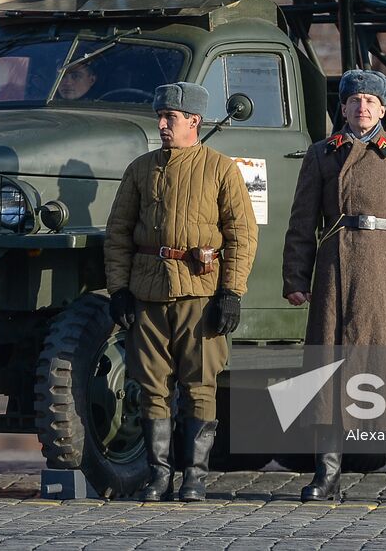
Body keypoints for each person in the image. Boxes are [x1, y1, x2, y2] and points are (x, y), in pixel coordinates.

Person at [281, 69, 386, 504]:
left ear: (383, 109)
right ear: (343, 107)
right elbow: (301, 222)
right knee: (329, 373)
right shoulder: (322, 154)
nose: (362, 107)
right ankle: (327, 472)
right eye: (354, 100)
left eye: (371, 101)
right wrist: (295, 277)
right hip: (335, 274)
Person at [104, 82, 258, 502]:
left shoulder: (221, 169)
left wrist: (231, 292)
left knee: (199, 386)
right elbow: (118, 234)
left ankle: (195, 476)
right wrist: (119, 290)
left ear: (194, 121)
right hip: (148, 293)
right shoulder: (140, 169)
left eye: (170, 117)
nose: (162, 124)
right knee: (151, 386)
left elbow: (242, 235)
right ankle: (159, 475)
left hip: (200, 293)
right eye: (160, 116)